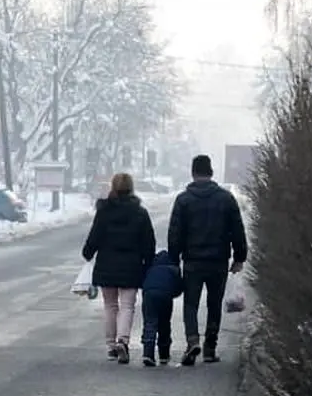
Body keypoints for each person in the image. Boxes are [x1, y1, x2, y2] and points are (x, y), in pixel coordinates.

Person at [167, 154, 249, 366]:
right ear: (211, 173)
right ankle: (210, 348)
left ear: (193, 173)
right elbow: (237, 230)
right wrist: (240, 257)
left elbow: (175, 233)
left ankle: (192, 340)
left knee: (191, 303)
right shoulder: (225, 199)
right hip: (218, 261)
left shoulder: (183, 200)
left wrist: (174, 259)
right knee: (214, 303)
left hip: (193, 261)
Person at [82, 173, 156, 363]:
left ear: (113, 188)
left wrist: (88, 253)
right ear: (131, 188)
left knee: (110, 306)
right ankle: (123, 340)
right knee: (127, 306)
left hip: (106, 265)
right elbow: (149, 242)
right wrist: (148, 263)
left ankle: (110, 345)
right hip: (131, 266)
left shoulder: (104, 211)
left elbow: (94, 236)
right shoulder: (140, 213)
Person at [141, 249, 183, 366]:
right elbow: (179, 288)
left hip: (149, 295)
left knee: (150, 323)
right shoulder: (174, 270)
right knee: (164, 324)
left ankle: (148, 353)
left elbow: (143, 282)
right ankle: (164, 354)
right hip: (166, 296)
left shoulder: (150, 269)